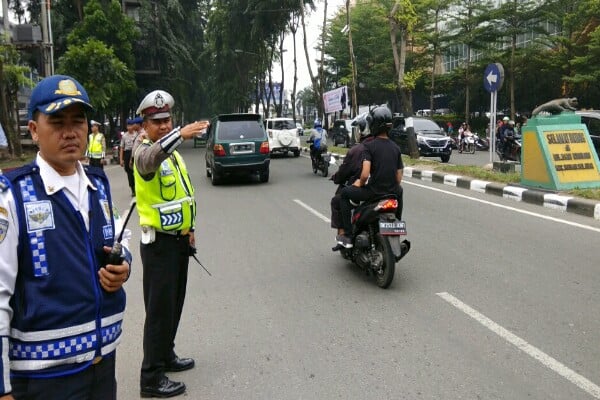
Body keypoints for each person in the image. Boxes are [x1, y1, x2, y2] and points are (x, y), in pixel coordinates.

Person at [0, 74, 132, 399]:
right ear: (34, 130)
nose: (70, 132)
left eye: (78, 121)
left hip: (103, 365)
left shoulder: (98, 186)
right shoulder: (13, 196)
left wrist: (123, 263)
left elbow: (117, 235)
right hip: (46, 380)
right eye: (57, 122)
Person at [133, 89, 209, 398]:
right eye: (157, 121)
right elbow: (148, 162)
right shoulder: (143, 150)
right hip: (158, 247)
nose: (164, 126)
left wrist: (189, 229)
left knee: (173, 305)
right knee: (159, 311)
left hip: (177, 242)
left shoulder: (172, 154)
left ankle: (166, 355)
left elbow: (181, 195)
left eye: (168, 120)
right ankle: (150, 377)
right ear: (145, 124)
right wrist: (181, 134)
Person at [337, 106, 404, 248]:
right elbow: (398, 178)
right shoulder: (396, 148)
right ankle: (397, 221)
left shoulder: (369, 146)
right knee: (400, 190)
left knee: (344, 194)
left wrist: (358, 183)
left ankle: (348, 235)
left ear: (374, 124)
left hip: (373, 193)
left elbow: (365, 174)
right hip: (392, 192)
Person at [330, 113, 372, 235]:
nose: (357, 132)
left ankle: (345, 235)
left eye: (358, 129)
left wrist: (336, 178)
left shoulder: (357, 150)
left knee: (337, 201)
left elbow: (345, 171)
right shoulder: (382, 145)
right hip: (384, 189)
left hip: (363, 190)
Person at [120, 117, 142, 196]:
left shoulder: (137, 134)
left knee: (136, 172)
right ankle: (133, 189)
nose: (130, 127)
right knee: (129, 173)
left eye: (131, 125)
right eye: (128, 125)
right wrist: (121, 159)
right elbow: (122, 148)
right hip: (127, 154)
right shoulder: (124, 136)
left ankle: (138, 188)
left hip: (135, 153)